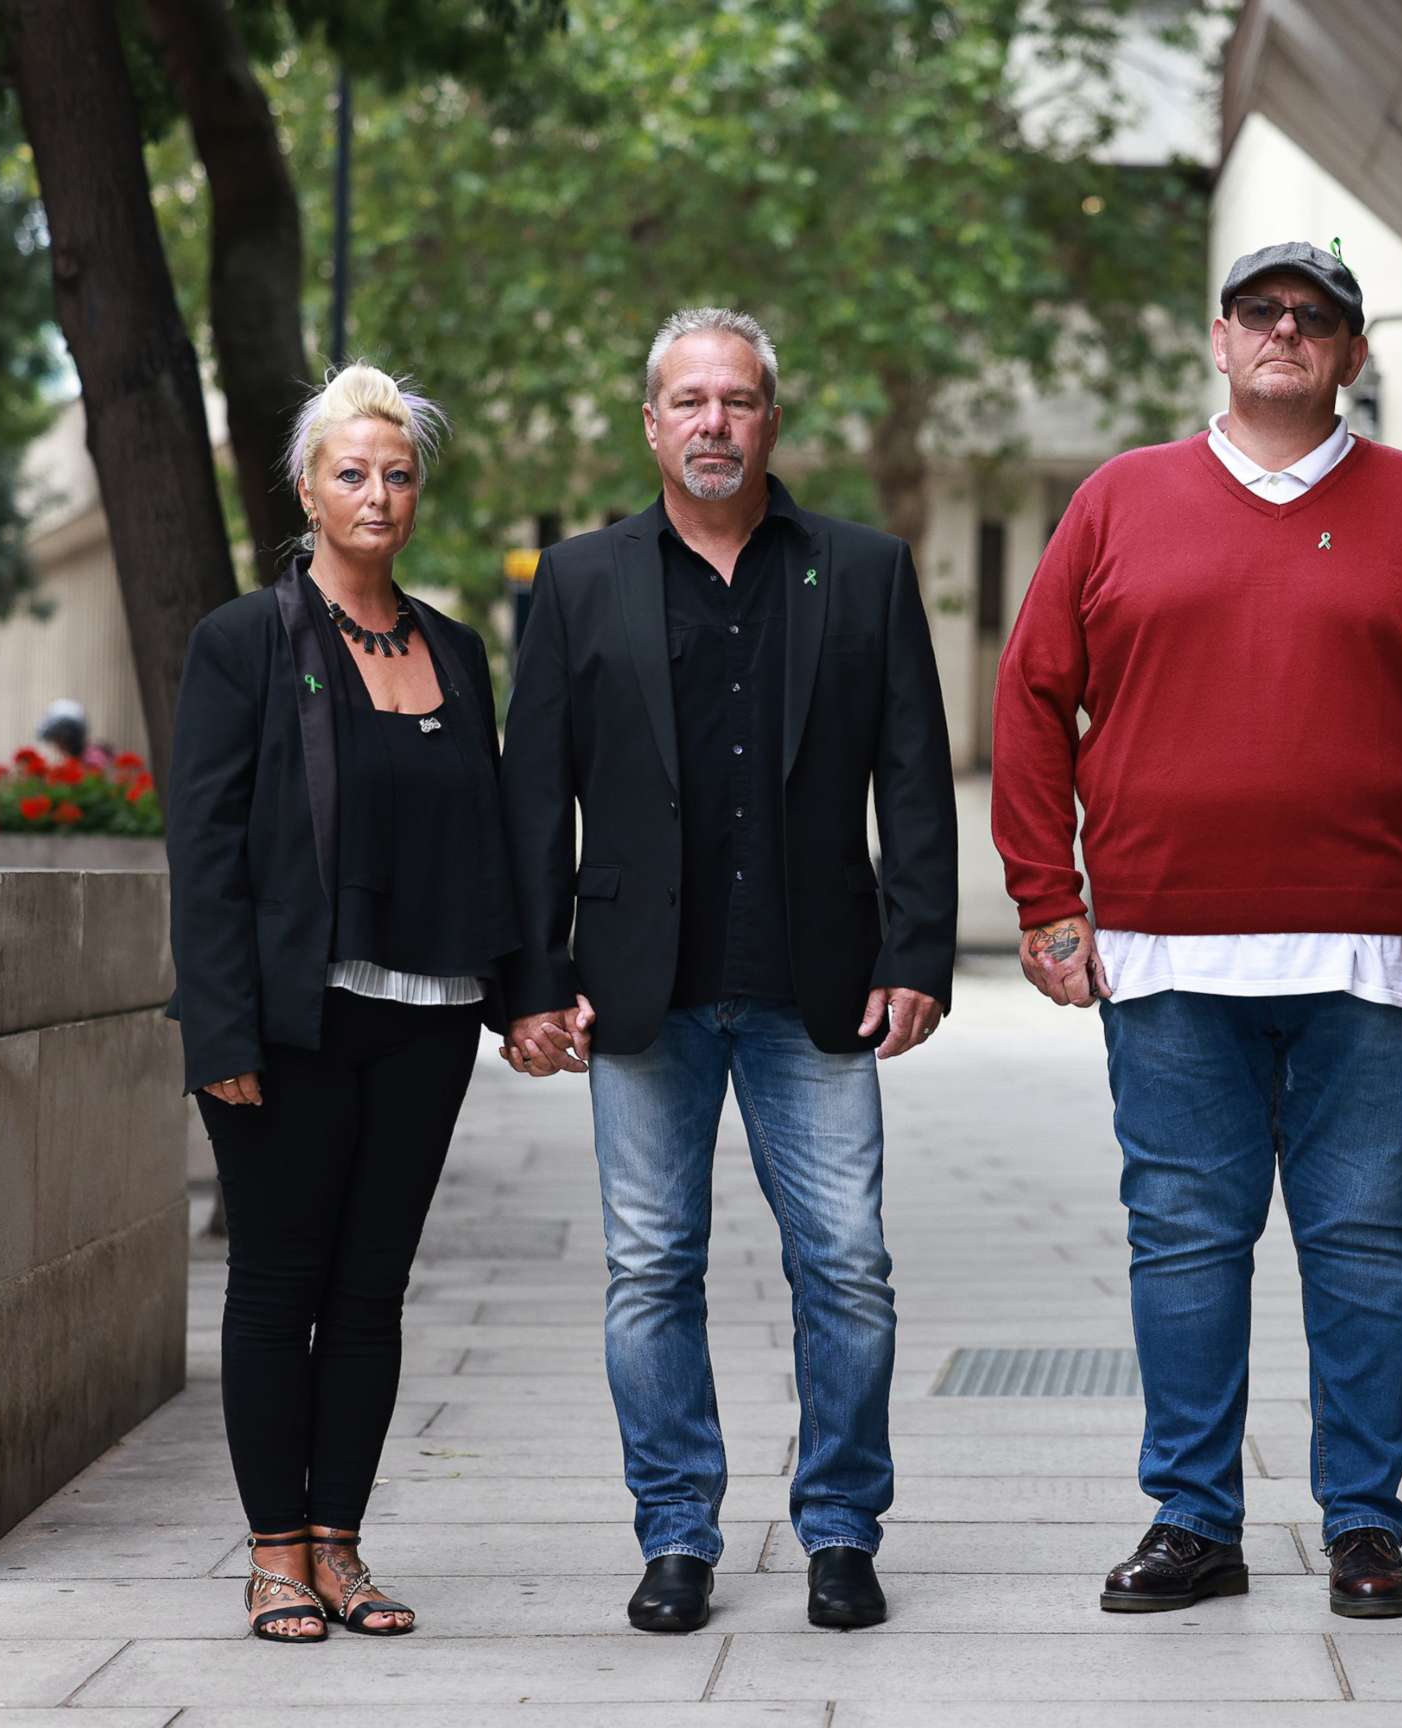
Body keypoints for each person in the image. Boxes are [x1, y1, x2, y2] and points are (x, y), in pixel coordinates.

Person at [992, 240, 1402, 1620]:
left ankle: (1363, 1527)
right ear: (1219, 340)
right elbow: (1034, 696)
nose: (1288, 331)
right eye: (1262, 312)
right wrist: (1048, 899)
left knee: (1363, 1243)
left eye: (1318, 317)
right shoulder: (1118, 502)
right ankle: (1194, 1520)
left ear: (1351, 353)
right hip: (1167, 953)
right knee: (1181, 1239)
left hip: (1373, 957)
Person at [500, 307, 958, 1634]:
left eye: (738, 400)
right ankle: (677, 1537)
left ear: (772, 420)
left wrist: (918, 946)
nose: (714, 423)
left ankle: (839, 1531)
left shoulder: (862, 571)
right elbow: (538, 795)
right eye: (689, 401)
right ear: (651, 424)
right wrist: (531, 977)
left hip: (818, 986)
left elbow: (914, 773)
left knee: (850, 1266)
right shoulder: (580, 581)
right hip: (640, 992)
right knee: (650, 1270)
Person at [167, 363, 517, 1643]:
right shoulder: (245, 641)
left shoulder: (459, 651)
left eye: (399, 472)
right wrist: (220, 1032)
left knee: (372, 1293)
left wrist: (526, 998)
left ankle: (341, 1548)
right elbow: (202, 851)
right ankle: (270, 1555)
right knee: (276, 1285)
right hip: (289, 1023)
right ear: (308, 489)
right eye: (352, 472)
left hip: (425, 1020)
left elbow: (494, 841)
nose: (378, 493)